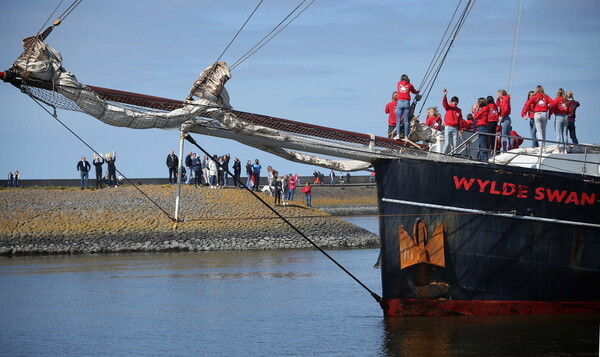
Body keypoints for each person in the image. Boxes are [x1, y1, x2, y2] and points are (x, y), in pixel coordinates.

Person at [395, 74, 420, 139]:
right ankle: (406, 136)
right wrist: (418, 91)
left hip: (400, 101)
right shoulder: (410, 85)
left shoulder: (398, 84)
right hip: (406, 102)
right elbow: (414, 92)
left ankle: (398, 135)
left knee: (398, 120)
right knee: (406, 120)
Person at [441, 89, 463, 154]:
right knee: (447, 142)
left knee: (455, 142)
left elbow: (460, 120)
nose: (455, 103)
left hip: (455, 128)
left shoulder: (459, 110)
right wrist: (445, 95)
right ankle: (443, 154)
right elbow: (444, 103)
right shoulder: (448, 107)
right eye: (453, 101)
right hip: (448, 126)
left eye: (456, 101)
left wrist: (460, 129)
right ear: (452, 101)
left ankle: (454, 154)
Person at [550, 88, 569, 152]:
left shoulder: (557, 99)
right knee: (565, 133)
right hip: (566, 117)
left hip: (558, 116)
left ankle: (557, 147)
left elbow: (552, 105)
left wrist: (550, 113)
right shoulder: (566, 100)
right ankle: (565, 148)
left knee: (558, 133)